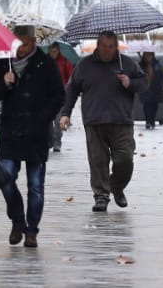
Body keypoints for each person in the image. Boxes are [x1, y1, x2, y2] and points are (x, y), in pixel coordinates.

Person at [0, 26, 67, 247]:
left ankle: (31, 231)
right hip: (11, 131)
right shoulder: (5, 63)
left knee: (35, 185)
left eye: (25, 43)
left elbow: (59, 95)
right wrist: (4, 82)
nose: (21, 48)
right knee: (5, 178)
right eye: (17, 43)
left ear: (34, 41)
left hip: (36, 133)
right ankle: (17, 220)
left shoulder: (46, 64)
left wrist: (42, 118)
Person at [58, 31, 146, 212]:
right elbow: (72, 89)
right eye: (104, 46)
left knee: (125, 159)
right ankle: (101, 196)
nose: (107, 51)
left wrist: (129, 83)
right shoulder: (85, 65)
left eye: (111, 47)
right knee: (98, 161)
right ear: (98, 46)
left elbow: (144, 83)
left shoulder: (127, 64)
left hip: (121, 120)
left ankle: (117, 186)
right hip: (94, 119)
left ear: (116, 47)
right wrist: (65, 113)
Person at [48, 42, 74, 152]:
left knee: (59, 120)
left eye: (54, 51)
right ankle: (49, 141)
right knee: (47, 121)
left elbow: (71, 78)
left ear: (58, 51)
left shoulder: (65, 62)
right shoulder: (45, 61)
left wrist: (66, 88)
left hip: (60, 95)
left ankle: (57, 142)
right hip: (47, 96)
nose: (53, 54)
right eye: (51, 51)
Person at [140, 50, 163, 130]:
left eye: (150, 55)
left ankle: (152, 120)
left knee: (154, 106)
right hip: (146, 89)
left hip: (156, 89)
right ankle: (148, 121)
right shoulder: (141, 65)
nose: (148, 57)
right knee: (146, 106)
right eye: (146, 55)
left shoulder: (158, 65)